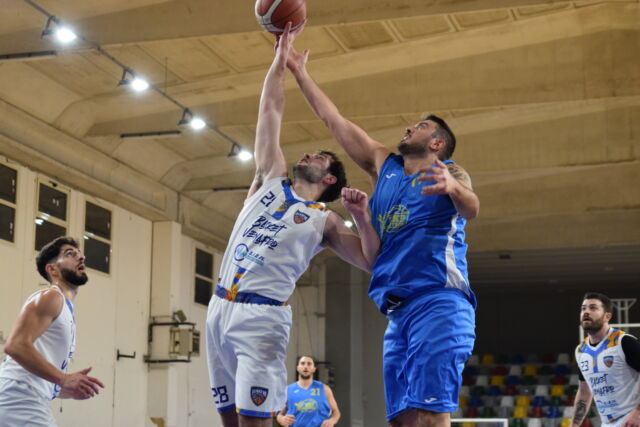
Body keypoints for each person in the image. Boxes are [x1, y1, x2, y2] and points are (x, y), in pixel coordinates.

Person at [287, 46, 479, 427]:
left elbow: (472, 208)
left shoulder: (449, 173)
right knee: (402, 420)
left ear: (437, 143)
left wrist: (454, 189)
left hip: (438, 301)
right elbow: (333, 121)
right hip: (398, 311)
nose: (410, 128)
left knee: (430, 415)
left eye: (421, 126)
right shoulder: (384, 166)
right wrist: (299, 73)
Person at [205, 23, 379, 427]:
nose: (308, 153)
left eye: (319, 155)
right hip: (218, 308)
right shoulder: (269, 177)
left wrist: (365, 219)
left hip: (261, 320)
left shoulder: (326, 221)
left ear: (331, 178)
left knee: (254, 422)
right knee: (229, 421)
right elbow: (270, 110)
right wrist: (279, 61)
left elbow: (372, 262)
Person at [0, 236, 104, 427]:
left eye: (80, 254)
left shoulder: (65, 308)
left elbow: (37, 372)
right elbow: (15, 345)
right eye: (70, 254)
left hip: (27, 395)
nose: (81, 257)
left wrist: (65, 390)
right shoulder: (51, 296)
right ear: (52, 269)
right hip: (19, 395)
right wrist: (64, 378)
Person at [571, 292, 640, 427]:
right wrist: (574, 425)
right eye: (583, 308)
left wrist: (638, 413)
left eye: (593, 308)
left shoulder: (624, 342)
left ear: (607, 316)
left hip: (633, 420)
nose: (586, 312)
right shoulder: (580, 350)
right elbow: (584, 392)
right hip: (607, 423)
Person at [276, 356, 340, 427]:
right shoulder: (288, 390)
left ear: (314, 369)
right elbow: (279, 415)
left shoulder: (325, 389)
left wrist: (332, 421)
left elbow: (336, 412)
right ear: (297, 368)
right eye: (302, 363)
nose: (305, 366)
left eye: (309, 364)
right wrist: (281, 419)